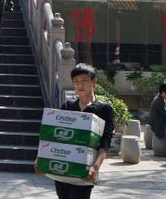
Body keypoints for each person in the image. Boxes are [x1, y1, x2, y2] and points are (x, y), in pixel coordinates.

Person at [42, 64, 115, 199]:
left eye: (84, 81)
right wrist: (41, 159)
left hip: (85, 171)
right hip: (63, 169)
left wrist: (95, 167)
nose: (80, 85)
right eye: (76, 82)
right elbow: (54, 136)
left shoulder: (104, 109)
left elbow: (105, 142)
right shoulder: (67, 106)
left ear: (94, 82)